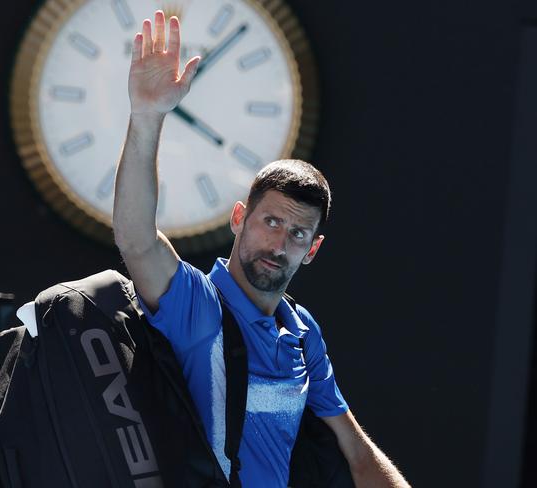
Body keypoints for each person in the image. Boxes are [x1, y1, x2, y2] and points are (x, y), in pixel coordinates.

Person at [113, 11, 410, 487]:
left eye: (297, 234)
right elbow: (136, 238)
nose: (279, 243)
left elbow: (355, 453)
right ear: (238, 219)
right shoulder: (196, 306)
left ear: (312, 250)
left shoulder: (302, 331)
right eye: (270, 221)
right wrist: (146, 117)